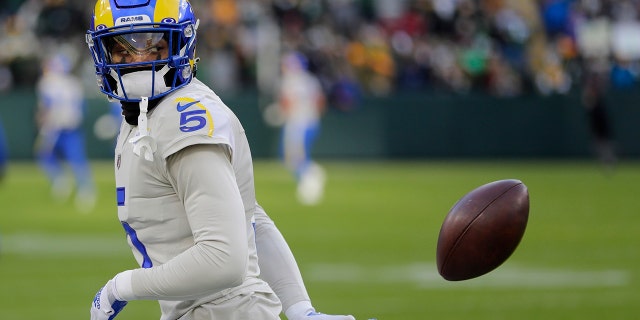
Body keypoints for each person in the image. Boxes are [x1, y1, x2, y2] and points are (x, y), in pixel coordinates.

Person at [85, 1, 355, 320]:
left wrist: (121, 287)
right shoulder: (144, 113)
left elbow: (222, 259)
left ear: (180, 43)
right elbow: (249, 217)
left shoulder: (180, 117)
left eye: (152, 44)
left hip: (221, 310)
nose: (138, 60)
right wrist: (299, 309)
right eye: (121, 48)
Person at [34, 52, 96, 212]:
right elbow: (82, 108)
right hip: (70, 125)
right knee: (74, 159)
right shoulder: (74, 83)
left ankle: (64, 182)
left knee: (46, 154)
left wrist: (42, 123)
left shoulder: (48, 83)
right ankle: (82, 189)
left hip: (56, 126)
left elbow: (46, 108)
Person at [277, 51, 327, 205]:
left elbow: (287, 103)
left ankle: (312, 177)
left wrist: (280, 114)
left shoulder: (289, 81)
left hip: (297, 123)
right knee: (293, 157)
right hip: (310, 122)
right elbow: (320, 102)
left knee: (293, 158)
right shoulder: (311, 80)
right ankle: (310, 176)